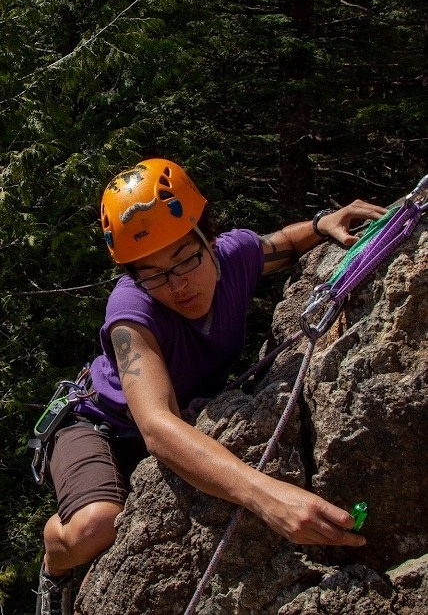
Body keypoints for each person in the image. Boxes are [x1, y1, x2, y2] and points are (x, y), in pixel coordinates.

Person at [35, 157, 387, 615]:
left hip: (169, 414)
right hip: (100, 422)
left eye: (186, 258)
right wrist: (266, 496)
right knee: (95, 527)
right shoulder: (131, 311)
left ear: (209, 237)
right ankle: (54, 563)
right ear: (135, 276)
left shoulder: (232, 256)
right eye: (154, 273)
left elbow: (281, 243)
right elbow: (157, 426)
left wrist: (322, 224)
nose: (179, 284)